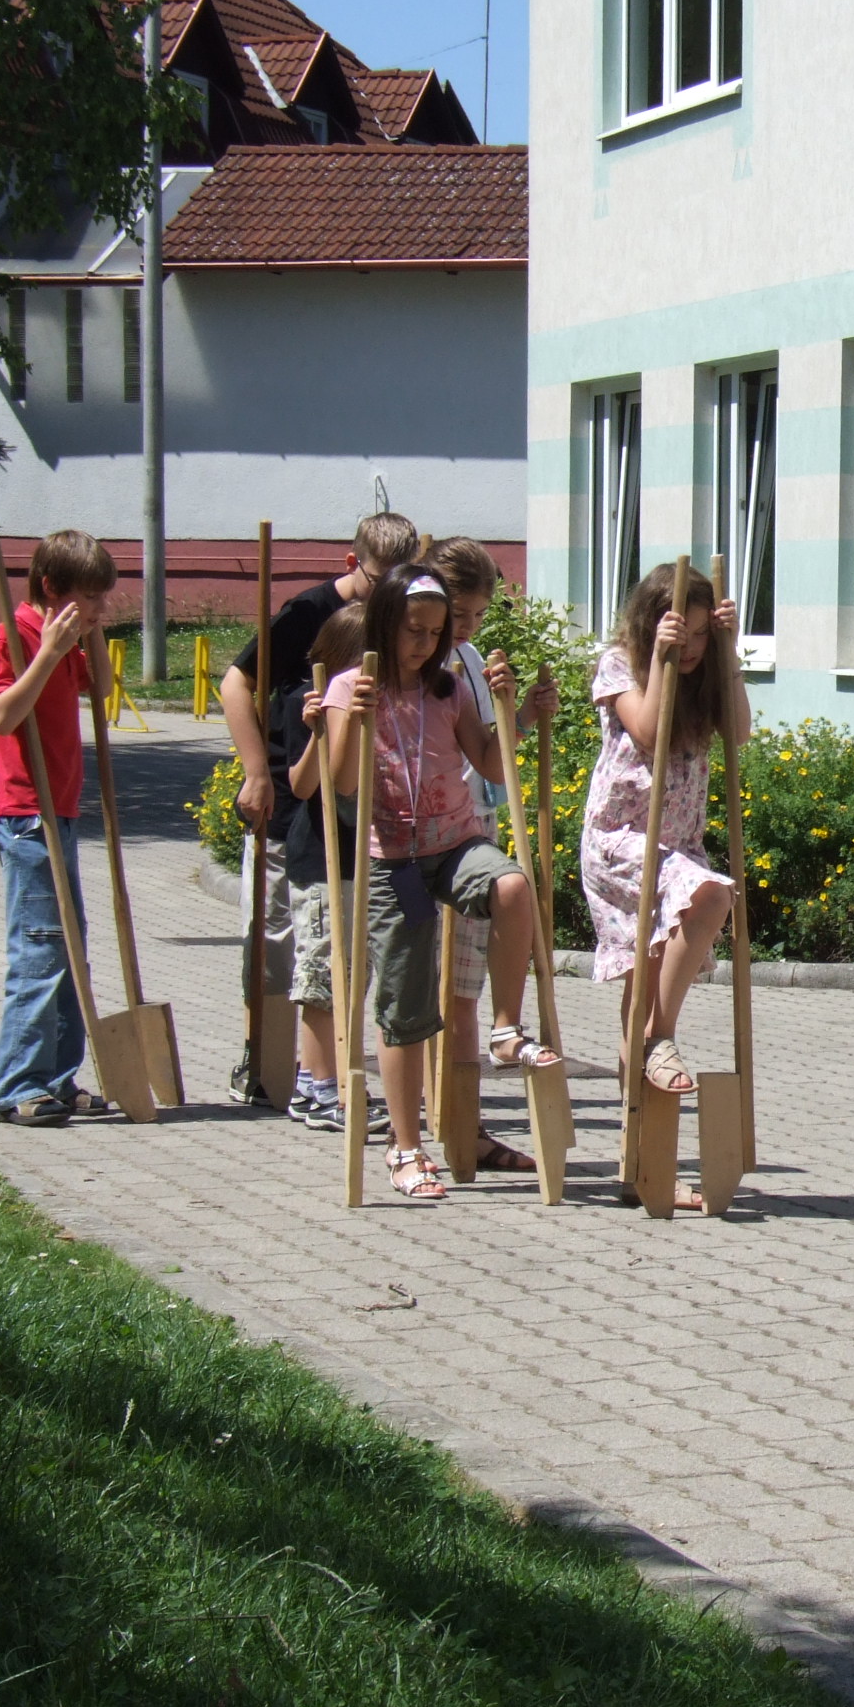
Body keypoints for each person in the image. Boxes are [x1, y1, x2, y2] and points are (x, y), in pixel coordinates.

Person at [320, 567, 561, 1202]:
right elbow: (340, 785)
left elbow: (491, 763)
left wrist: (518, 714)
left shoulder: (448, 688)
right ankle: (405, 1147)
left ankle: (505, 1028)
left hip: (455, 844)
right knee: (406, 1007)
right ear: (384, 624)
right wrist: (350, 722)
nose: (426, 643)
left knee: (512, 887)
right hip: (392, 861)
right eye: (414, 631)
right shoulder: (352, 686)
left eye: (435, 633)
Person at [220, 510, 423, 1106]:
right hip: (294, 801)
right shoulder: (308, 614)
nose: (389, 595)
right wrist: (257, 773)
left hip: (358, 813)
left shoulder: (400, 619)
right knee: (282, 941)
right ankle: (266, 1064)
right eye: (379, 580)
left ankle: (321, 1071)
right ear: (352, 563)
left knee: (340, 951)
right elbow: (236, 683)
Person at [580, 562, 746, 1102]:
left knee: (644, 986)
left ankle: (641, 1140)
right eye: (684, 633)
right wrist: (660, 658)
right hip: (622, 840)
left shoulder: (706, 674)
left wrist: (728, 654)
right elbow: (649, 731)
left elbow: (739, 731)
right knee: (712, 895)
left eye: (702, 634)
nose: (693, 646)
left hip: (678, 844)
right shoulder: (618, 665)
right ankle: (661, 1038)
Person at [0, 528, 116, 1126]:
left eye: (104, 596)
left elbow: (103, 690)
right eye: (91, 596)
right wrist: (49, 655)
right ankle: (18, 1085)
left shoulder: (69, 637)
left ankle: (58, 1077)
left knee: (69, 946)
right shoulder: (12, 637)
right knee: (39, 949)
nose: (100, 605)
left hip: (59, 808)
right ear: (52, 586)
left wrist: (93, 633)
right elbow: (3, 716)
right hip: (23, 812)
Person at [424, 534, 539, 1174]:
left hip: (473, 825)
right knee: (422, 989)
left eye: (477, 614)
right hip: (417, 837)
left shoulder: (466, 657)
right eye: (458, 613)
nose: (466, 626)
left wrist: (515, 712)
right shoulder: (414, 659)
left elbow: (491, 757)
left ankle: (465, 1125)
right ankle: (421, 1120)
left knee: (463, 987)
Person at [278, 605, 365, 1132]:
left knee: (351, 976)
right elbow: (302, 785)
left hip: (365, 856)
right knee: (321, 975)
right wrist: (318, 733)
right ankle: (317, 1085)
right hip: (320, 858)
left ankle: (332, 1077)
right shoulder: (305, 702)